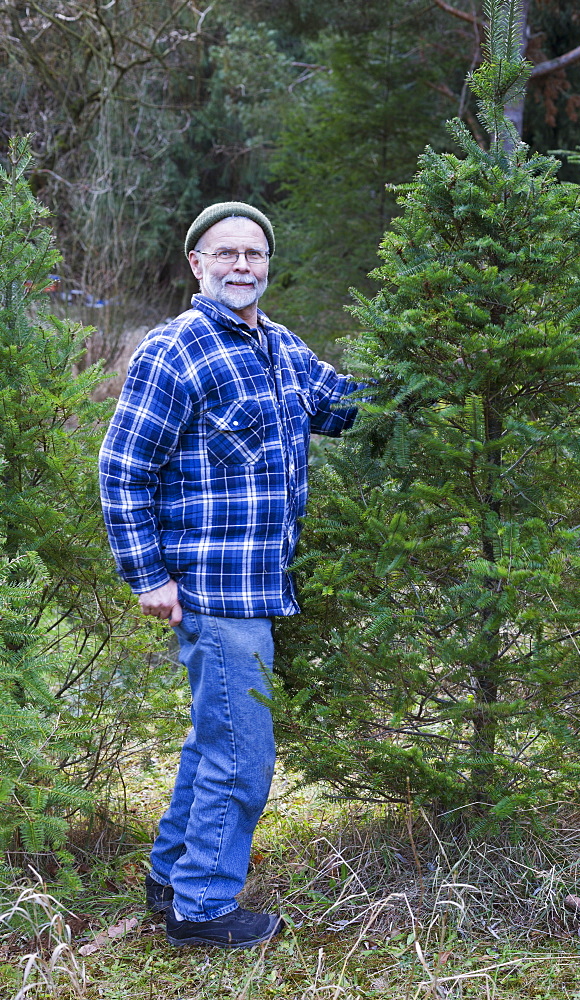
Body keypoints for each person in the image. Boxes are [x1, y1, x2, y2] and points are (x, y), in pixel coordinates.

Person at [99, 202, 357, 949]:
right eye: (227, 254)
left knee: (216, 739)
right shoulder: (174, 350)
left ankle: (170, 877)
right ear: (197, 265)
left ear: (267, 265)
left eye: (255, 254)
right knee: (242, 753)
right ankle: (203, 910)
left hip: (260, 583)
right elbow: (122, 469)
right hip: (214, 591)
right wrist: (148, 576)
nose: (243, 265)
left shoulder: (278, 346)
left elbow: (339, 407)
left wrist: (434, 375)